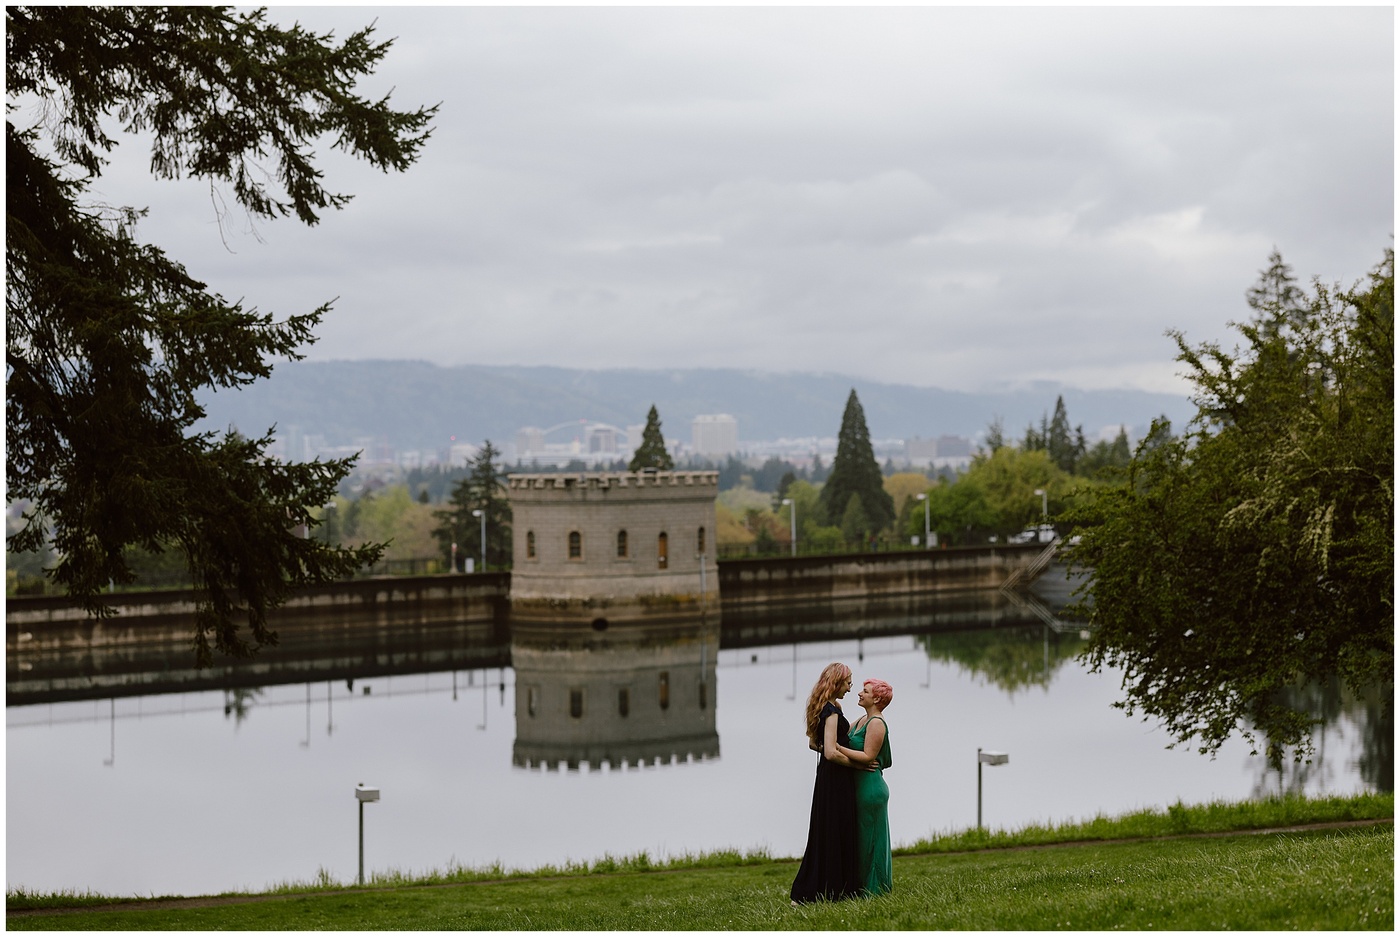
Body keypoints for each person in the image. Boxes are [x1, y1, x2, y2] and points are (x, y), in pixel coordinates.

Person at [789, 662, 862, 905]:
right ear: (837, 682)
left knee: (825, 830)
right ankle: (835, 889)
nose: (850, 688)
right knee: (837, 828)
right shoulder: (831, 712)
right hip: (837, 776)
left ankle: (823, 888)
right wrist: (857, 764)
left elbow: (814, 744)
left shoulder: (822, 706)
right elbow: (830, 752)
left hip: (826, 777)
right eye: (848, 683)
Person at [833, 678, 894, 896]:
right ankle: (859, 886)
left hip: (870, 789)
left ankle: (876, 889)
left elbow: (868, 756)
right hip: (859, 786)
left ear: (876, 698)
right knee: (861, 839)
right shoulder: (862, 719)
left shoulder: (876, 723)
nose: (859, 693)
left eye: (865, 691)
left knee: (872, 840)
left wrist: (837, 748)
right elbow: (845, 735)